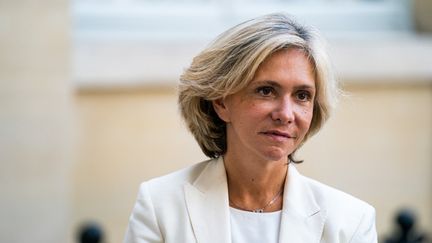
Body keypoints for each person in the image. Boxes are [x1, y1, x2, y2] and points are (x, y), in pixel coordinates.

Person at [124, 13, 377, 243]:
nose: (286, 114)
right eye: (266, 91)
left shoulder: (351, 222)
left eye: (302, 95)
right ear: (221, 102)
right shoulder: (160, 206)